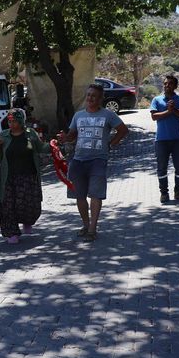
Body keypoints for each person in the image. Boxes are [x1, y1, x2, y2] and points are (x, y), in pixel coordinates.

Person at [57, 83, 128, 242]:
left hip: (98, 161)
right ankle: (85, 224)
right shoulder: (78, 116)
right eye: (88, 95)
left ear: (100, 98)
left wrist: (111, 144)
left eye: (94, 95)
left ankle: (92, 229)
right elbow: (72, 136)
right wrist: (64, 138)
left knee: (95, 194)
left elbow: (123, 130)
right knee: (79, 195)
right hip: (78, 160)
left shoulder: (108, 115)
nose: (90, 98)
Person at [0, 108, 48, 244]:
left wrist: (55, 145)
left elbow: (41, 148)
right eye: (9, 121)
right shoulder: (4, 136)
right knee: (8, 206)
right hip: (9, 177)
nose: (11, 124)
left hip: (28, 177)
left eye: (14, 121)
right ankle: (11, 232)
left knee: (29, 206)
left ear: (21, 121)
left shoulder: (31, 134)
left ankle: (27, 222)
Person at [150, 74, 179, 203]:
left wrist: (173, 109)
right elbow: (154, 117)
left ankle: (178, 191)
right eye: (165, 83)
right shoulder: (156, 100)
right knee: (162, 167)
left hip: (178, 140)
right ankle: (164, 193)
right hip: (161, 140)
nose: (167, 86)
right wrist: (168, 111)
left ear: (175, 86)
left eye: (170, 83)